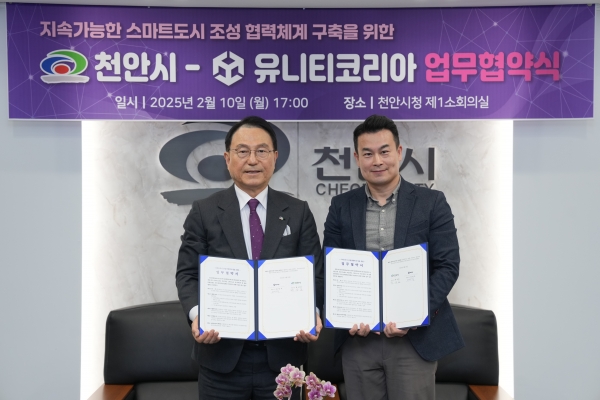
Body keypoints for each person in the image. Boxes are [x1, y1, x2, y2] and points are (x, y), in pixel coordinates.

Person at [176, 116, 324, 400]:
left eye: (262, 151)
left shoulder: (298, 211)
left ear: (275, 157)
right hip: (221, 359)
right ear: (227, 158)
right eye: (243, 151)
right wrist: (198, 315)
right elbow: (188, 273)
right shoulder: (204, 211)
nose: (253, 160)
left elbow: (315, 273)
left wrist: (312, 313)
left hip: (283, 358)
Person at [323, 115, 464, 400]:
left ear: (399, 153)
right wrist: (347, 312)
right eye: (367, 154)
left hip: (415, 339)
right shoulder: (341, 206)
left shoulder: (431, 203)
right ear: (357, 158)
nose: (377, 161)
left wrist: (415, 314)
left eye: (384, 151)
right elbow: (331, 268)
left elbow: (447, 266)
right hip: (359, 339)